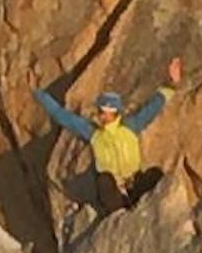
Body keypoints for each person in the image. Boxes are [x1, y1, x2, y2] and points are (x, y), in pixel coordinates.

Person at [33, 58, 182, 214]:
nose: (102, 116)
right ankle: (118, 212)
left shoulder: (130, 126)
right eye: (101, 112)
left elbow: (153, 106)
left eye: (106, 113)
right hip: (114, 193)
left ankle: (144, 205)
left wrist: (172, 84)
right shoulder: (93, 133)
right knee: (104, 181)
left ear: (115, 113)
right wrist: (40, 95)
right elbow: (62, 116)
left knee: (155, 174)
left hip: (133, 183)